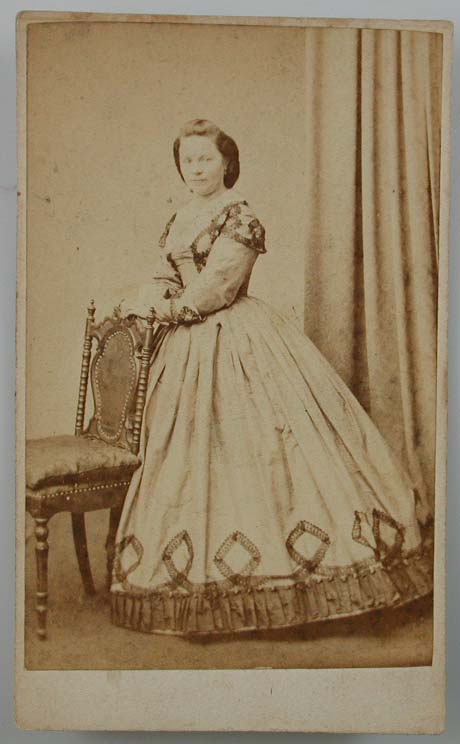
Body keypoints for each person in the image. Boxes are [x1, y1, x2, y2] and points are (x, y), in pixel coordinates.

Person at [111, 118, 432, 636]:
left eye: (205, 159)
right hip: (186, 349)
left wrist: (164, 309)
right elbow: (167, 274)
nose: (196, 169)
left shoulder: (239, 216)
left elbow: (217, 288)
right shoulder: (181, 217)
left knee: (268, 449)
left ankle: (288, 578)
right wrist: (150, 294)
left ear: (227, 163)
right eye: (188, 160)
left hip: (235, 336)